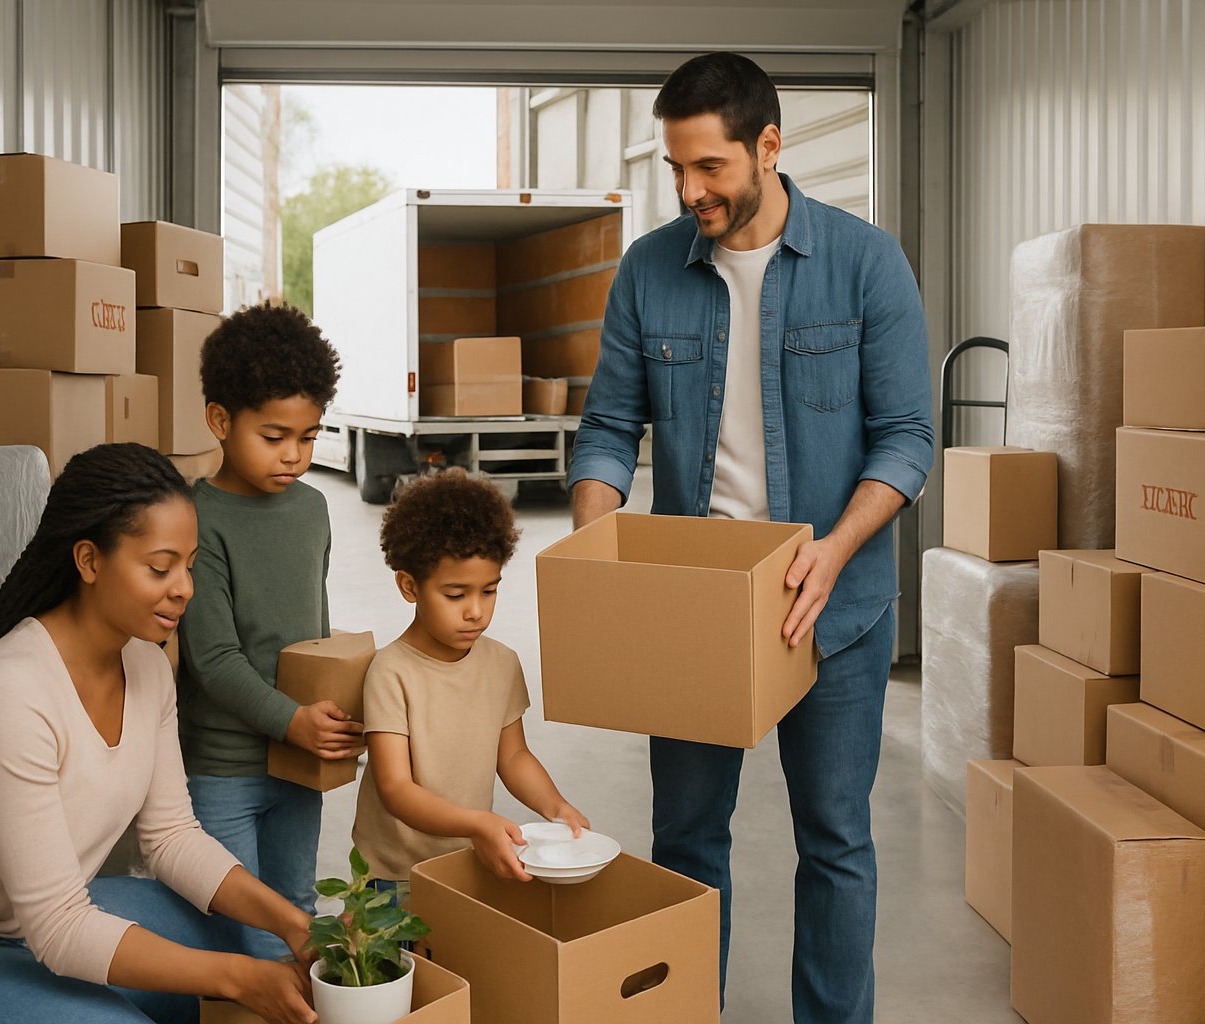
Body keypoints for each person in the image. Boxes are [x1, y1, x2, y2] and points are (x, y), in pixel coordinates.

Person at [567, 52, 933, 1024]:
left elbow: (907, 439)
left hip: (835, 607)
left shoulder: (865, 261)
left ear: (769, 147)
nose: (691, 191)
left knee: (835, 840)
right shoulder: (649, 269)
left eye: (711, 168)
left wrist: (837, 546)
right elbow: (608, 425)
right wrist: (596, 551)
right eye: (676, 169)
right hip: (695, 610)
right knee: (686, 843)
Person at [0, 443, 317, 1024]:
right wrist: (238, 980)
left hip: (36, 923)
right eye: (159, 566)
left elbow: (171, 836)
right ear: (90, 561)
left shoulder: (146, 666)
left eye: (190, 565)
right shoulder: (11, 693)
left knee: (228, 934)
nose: (184, 588)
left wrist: (293, 923)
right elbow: (61, 928)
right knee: (201, 982)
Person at [176, 303, 364, 959]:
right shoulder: (197, 517)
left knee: (299, 915)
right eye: (275, 435)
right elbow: (214, 659)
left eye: (309, 437)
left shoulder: (313, 510)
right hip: (224, 767)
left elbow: (312, 632)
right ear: (221, 420)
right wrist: (294, 721)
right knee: (245, 934)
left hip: (299, 762)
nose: (294, 455)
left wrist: (334, 715)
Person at [351, 469, 588, 894]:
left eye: (489, 591)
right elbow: (395, 788)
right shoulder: (391, 672)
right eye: (456, 595)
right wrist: (477, 822)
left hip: (467, 865)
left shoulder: (501, 663)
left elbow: (513, 757)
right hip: (393, 876)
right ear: (409, 586)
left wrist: (556, 806)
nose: (475, 611)